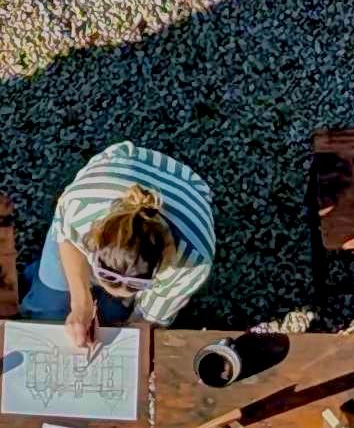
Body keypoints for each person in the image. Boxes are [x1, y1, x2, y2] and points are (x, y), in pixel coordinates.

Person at [25, 141, 217, 353]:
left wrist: (128, 337)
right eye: (107, 279)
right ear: (93, 240)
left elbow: (145, 320)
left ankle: (42, 277)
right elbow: (66, 238)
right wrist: (81, 305)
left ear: (164, 260)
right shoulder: (81, 205)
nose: (119, 293)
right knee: (48, 302)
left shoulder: (193, 263)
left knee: (113, 316)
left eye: (134, 287)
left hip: (188, 191)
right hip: (120, 164)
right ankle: (37, 284)